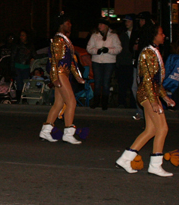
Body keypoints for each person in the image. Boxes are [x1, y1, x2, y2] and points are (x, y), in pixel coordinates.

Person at [115, 24, 176, 177]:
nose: (164, 36)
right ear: (153, 35)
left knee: (151, 130)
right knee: (162, 128)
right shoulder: (148, 52)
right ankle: (155, 165)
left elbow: (156, 80)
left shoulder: (153, 51)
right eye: (161, 33)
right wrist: (155, 100)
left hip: (149, 94)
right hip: (148, 95)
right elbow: (147, 79)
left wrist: (165, 97)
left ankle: (125, 159)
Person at [39, 12, 85, 144]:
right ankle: (68, 132)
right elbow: (54, 60)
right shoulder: (58, 40)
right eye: (67, 23)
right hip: (60, 73)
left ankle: (46, 130)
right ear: (61, 25)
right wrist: (55, 78)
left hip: (63, 73)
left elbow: (71, 61)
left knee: (58, 103)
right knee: (71, 101)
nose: (70, 25)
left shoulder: (64, 40)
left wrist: (77, 77)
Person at [86, 18, 122, 110]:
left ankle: (105, 102)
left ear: (106, 26)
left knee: (106, 82)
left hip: (109, 62)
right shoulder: (94, 36)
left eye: (101, 24)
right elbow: (89, 48)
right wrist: (97, 51)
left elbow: (119, 49)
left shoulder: (113, 36)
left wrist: (108, 50)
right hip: (97, 61)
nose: (99, 26)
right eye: (99, 24)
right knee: (97, 82)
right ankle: (96, 101)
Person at [116, 14, 138, 109]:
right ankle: (122, 102)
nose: (126, 23)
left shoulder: (137, 34)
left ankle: (133, 104)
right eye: (126, 21)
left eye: (128, 21)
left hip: (133, 63)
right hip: (124, 63)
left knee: (133, 84)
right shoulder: (123, 35)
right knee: (123, 84)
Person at [11, 30, 35, 103]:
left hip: (26, 67)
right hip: (17, 66)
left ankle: (24, 99)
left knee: (25, 84)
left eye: (23, 35)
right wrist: (12, 68)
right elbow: (13, 57)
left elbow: (35, 55)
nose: (21, 37)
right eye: (21, 35)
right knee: (19, 83)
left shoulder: (30, 45)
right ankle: (19, 99)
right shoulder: (17, 45)